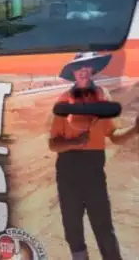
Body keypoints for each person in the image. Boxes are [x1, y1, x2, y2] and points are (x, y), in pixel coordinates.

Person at [48, 52, 139, 260]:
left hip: (94, 173)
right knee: (72, 227)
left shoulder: (102, 98)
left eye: (87, 66)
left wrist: (135, 130)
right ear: (73, 72)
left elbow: (114, 136)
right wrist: (74, 143)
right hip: (68, 174)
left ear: (93, 70)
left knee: (103, 227)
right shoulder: (64, 101)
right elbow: (53, 144)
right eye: (78, 67)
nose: (83, 71)